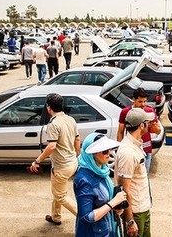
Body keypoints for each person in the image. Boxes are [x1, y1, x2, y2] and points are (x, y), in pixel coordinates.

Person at [29, 93, 80, 225]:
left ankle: (85, 218)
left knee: (60, 195)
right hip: (72, 163)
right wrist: (77, 156)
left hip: (61, 166)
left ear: (49, 107)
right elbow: (77, 140)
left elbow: (52, 146)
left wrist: (37, 161)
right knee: (58, 191)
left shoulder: (53, 124)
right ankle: (56, 217)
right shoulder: (70, 119)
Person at [74, 133, 126, 237]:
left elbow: (102, 202)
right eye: (104, 151)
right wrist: (113, 203)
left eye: (109, 149)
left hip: (106, 229)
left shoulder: (102, 171)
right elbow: (86, 217)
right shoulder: (83, 179)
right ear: (92, 154)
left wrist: (115, 208)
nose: (109, 153)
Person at [115, 108, 154, 237]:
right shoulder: (128, 152)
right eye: (147, 122)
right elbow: (125, 189)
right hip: (135, 211)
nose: (149, 124)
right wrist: (130, 220)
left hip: (143, 207)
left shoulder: (136, 144)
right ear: (141, 125)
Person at [117, 88, 161, 174]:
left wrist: (154, 127)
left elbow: (158, 131)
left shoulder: (150, 112)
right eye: (140, 101)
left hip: (146, 149)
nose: (143, 104)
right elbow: (120, 131)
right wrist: (119, 148)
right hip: (131, 148)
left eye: (145, 101)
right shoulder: (125, 112)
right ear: (134, 99)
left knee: (144, 176)